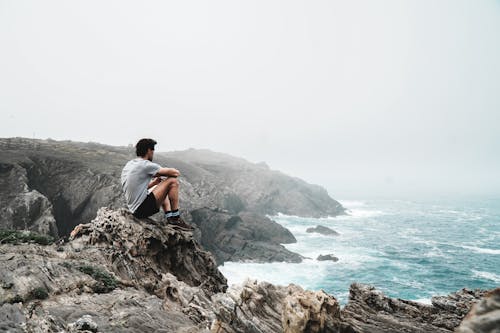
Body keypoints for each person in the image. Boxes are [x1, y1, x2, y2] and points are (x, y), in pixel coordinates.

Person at [120, 138, 194, 231]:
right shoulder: (145, 165)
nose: (153, 153)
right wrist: (162, 173)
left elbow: (137, 188)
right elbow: (175, 173)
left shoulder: (130, 164)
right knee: (172, 181)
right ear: (149, 150)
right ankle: (175, 218)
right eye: (153, 150)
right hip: (141, 209)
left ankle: (170, 218)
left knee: (158, 186)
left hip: (134, 208)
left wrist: (154, 183)